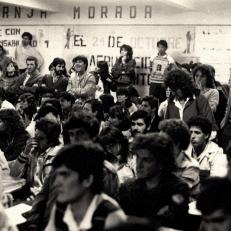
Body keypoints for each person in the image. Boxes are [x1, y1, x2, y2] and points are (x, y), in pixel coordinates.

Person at [45, 142, 126, 231]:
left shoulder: (110, 216)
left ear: (87, 180)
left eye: (65, 175)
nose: (56, 183)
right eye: (56, 176)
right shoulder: (60, 209)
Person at [119, 133, 189, 229]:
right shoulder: (128, 187)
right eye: (138, 157)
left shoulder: (178, 188)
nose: (139, 165)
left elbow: (173, 223)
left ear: (161, 163)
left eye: (146, 160)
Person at [10, 118, 62, 198]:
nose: (35, 141)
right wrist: (25, 152)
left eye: (40, 138)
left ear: (51, 140)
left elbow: (52, 189)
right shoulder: (33, 152)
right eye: (35, 136)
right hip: (30, 195)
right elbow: (14, 174)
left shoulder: (57, 156)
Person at [158, 119, 200, 198]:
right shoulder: (159, 159)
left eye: (163, 141)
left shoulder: (191, 166)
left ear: (177, 143)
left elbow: (175, 193)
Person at [186, 116, 228, 182]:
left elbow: (217, 184)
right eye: (190, 132)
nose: (192, 136)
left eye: (197, 133)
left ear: (207, 135)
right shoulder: (186, 149)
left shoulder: (217, 153)